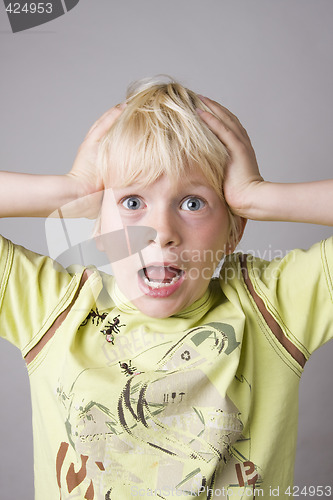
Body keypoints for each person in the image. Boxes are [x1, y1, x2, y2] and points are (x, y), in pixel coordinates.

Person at [0, 78, 332, 500]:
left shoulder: (272, 308)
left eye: (192, 203)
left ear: (234, 229)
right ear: (98, 226)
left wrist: (260, 198)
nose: (162, 233)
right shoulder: (53, 308)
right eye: (133, 202)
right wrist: (70, 190)